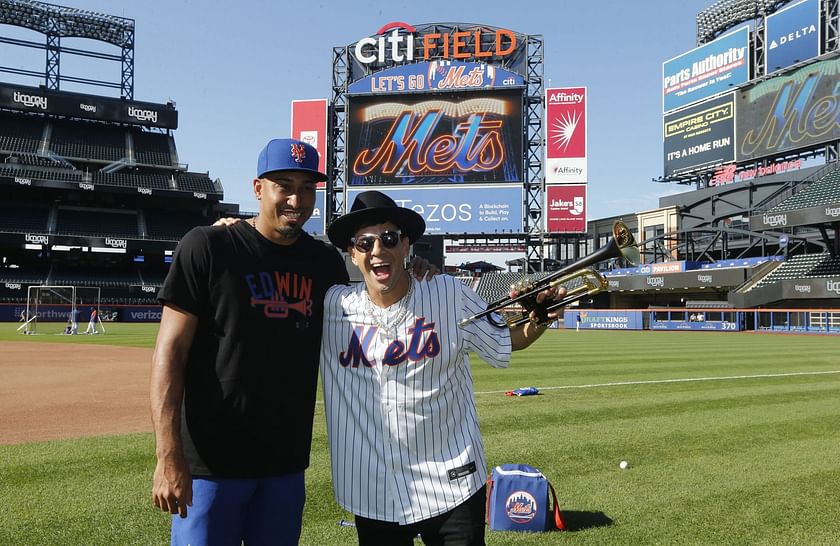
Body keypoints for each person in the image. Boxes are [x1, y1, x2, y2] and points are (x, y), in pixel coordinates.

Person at [319, 191, 563, 546]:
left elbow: (505, 341)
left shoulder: (448, 293)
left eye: (389, 238)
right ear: (353, 254)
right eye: (365, 242)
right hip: (373, 490)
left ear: (406, 246)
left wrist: (541, 317)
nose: (377, 250)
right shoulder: (333, 307)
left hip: (452, 485)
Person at [149, 138, 351, 545]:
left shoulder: (325, 264)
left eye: (308, 188)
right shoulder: (209, 246)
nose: (297, 198)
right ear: (258, 189)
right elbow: (169, 353)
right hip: (210, 465)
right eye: (285, 185)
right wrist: (168, 456)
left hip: (284, 464)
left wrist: (415, 270)